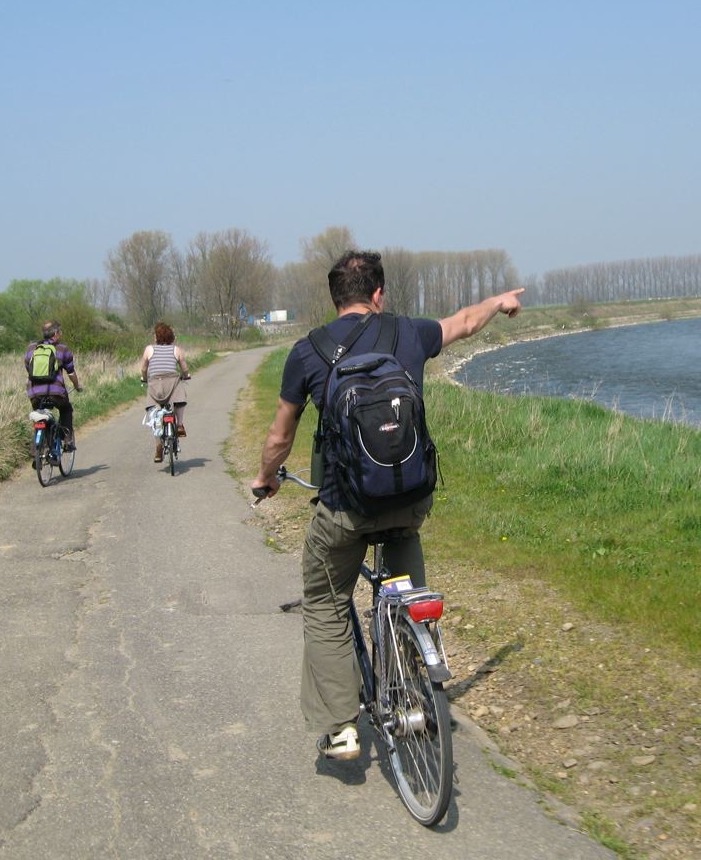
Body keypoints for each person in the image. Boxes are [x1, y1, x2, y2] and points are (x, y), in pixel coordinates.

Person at [251, 250, 523, 760]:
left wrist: (267, 479)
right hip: (410, 502)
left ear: (336, 299)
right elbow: (465, 322)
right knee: (407, 591)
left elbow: (278, 437)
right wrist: (498, 300)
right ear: (379, 294)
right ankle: (415, 691)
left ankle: (339, 726)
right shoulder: (408, 333)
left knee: (326, 598)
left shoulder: (308, 352)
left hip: (345, 509)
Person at [25, 319, 82, 457]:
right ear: (55, 333)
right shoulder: (62, 349)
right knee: (66, 409)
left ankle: (39, 447)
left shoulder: (31, 348)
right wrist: (77, 385)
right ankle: (68, 441)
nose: (61, 334)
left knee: (40, 414)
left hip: (34, 393)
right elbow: (70, 372)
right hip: (56, 392)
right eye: (60, 332)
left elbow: (28, 367)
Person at [141, 322, 191, 462]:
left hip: (155, 386)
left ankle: (158, 447)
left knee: (153, 411)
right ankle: (180, 425)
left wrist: (144, 379)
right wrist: (186, 375)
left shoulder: (149, 349)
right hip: (172, 384)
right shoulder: (176, 350)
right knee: (180, 400)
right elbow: (185, 369)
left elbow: (144, 369)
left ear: (157, 337)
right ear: (171, 337)